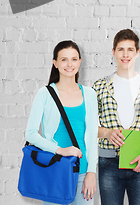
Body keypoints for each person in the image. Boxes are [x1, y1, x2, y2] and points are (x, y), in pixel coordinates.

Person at [92, 29, 140, 205]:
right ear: (113, 52)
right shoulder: (99, 87)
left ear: (137, 52)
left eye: (130, 49)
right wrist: (107, 133)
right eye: (121, 49)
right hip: (108, 163)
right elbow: (88, 126)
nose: (125, 54)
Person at [25, 40, 98, 205]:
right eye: (64, 59)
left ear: (80, 61)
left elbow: (93, 134)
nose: (69, 64)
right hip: (55, 171)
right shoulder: (45, 93)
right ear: (55, 63)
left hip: (83, 173)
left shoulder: (89, 94)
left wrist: (92, 172)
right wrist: (60, 150)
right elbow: (30, 133)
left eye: (73, 59)